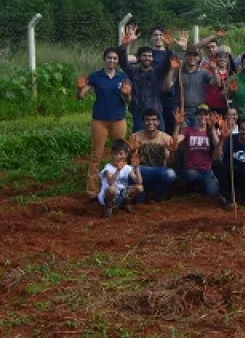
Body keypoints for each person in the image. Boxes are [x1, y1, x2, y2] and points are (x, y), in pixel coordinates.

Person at [77, 47, 132, 200]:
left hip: (118, 119)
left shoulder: (122, 77)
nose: (112, 61)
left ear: (118, 61)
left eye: (115, 58)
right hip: (99, 120)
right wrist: (79, 88)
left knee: (121, 154)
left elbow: (128, 100)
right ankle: (92, 191)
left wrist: (126, 94)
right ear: (104, 59)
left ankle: (121, 189)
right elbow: (81, 95)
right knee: (97, 155)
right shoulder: (96, 76)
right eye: (109, 58)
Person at [118, 25, 172, 131]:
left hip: (156, 111)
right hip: (139, 112)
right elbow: (123, 62)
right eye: (144, 56)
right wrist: (124, 45)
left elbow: (167, 63)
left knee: (160, 142)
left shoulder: (157, 72)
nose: (147, 58)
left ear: (152, 58)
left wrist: (169, 47)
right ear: (138, 58)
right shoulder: (133, 71)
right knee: (138, 142)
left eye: (149, 56)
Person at [213, 115, 245, 209]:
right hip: (231, 173)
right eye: (242, 129)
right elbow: (216, 157)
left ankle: (244, 194)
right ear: (239, 129)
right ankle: (229, 199)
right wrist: (221, 140)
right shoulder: (230, 139)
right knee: (217, 165)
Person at [130, 108, 179, 202]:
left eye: (153, 120)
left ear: (158, 122)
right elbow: (133, 162)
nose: (150, 123)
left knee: (171, 174)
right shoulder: (135, 137)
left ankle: (157, 195)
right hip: (141, 171)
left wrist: (172, 152)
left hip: (159, 172)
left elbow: (169, 164)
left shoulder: (165, 138)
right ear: (143, 122)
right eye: (147, 120)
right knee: (129, 171)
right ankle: (141, 195)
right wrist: (132, 152)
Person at [178, 104, 219, 197]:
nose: (203, 117)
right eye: (200, 114)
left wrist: (212, 128)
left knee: (211, 192)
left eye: (205, 115)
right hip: (192, 169)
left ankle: (202, 186)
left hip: (207, 169)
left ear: (209, 116)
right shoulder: (188, 130)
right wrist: (177, 125)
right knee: (191, 176)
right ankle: (192, 187)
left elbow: (217, 144)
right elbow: (177, 139)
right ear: (196, 116)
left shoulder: (212, 131)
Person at [98, 140, 143, 218]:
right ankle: (108, 207)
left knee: (139, 188)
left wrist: (137, 168)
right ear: (111, 154)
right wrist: (118, 170)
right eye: (115, 154)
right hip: (109, 195)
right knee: (112, 189)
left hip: (121, 194)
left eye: (120, 154)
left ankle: (125, 203)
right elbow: (110, 182)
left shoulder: (127, 168)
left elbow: (139, 182)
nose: (117, 156)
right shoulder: (108, 167)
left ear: (126, 154)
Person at [178, 47, 214, 125]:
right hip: (183, 111)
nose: (192, 57)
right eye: (189, 55)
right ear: (185, 57)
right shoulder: (178, 73)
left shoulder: (204, 73)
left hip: (200, 111)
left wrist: (214, 70)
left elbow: (217, 84)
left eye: (195, 55)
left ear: (199, 58)